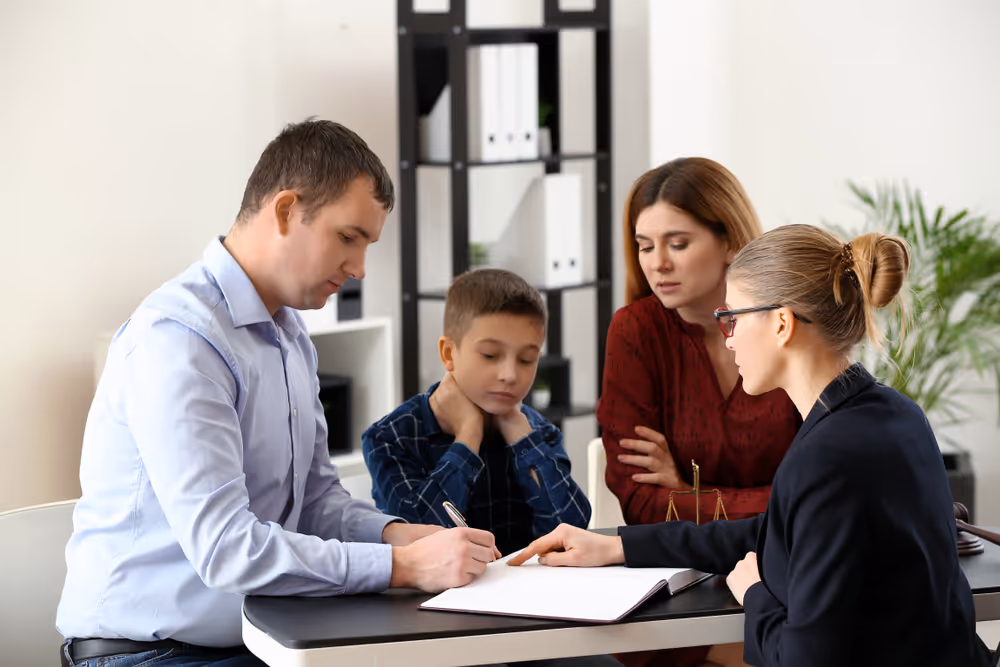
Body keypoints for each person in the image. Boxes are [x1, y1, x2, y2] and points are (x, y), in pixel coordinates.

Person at [56, 120, 500, 667]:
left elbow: (314, 504)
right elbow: (226, 551)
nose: (359, 268)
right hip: (149, 655)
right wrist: (402, 567)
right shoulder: (179, 342)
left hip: (257, 639)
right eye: (348, 238)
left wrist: (403, 537)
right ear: (287, 210)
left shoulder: (288, 335)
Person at [511, 225, 994, 667]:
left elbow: (803, 661)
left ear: (782, 324)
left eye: (733, 317)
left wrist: (755, 593)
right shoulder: (897, 415)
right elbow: (777, 531)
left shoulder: (825, 456)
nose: (729, 338)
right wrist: (616, 544)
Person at [600, 159, 800, 666]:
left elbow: (821, 502)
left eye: (678, 243)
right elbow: (642, 508)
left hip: (791, 574)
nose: (657, 263)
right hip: (682, 588)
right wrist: (771, 506)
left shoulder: (786, 326)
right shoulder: (635, 332)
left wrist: (688, 494)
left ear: (730, 241)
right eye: (645, 246)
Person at [363, 268, 591, 558]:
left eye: (526, 359)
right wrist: (468, 435)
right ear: (448, 354)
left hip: (524, 598)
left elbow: (573, 532)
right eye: (490, 355)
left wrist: (522, 440)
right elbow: (419, 541)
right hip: (428, 602)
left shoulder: (537, 433)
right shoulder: (391, 438)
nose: (509, 375)